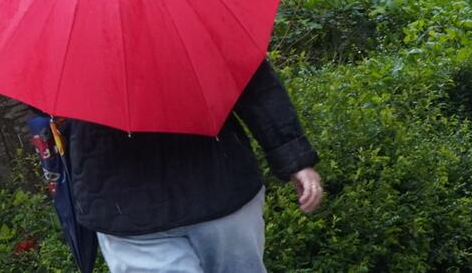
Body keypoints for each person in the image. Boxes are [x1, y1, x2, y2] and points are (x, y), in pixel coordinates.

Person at [63, 58, 322, 273]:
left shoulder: (62, 26)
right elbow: (252, 80)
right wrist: (294, 158)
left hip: (134, 203)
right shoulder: (194, 9)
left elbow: (42, 105)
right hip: (214, 188)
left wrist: (295, 159)